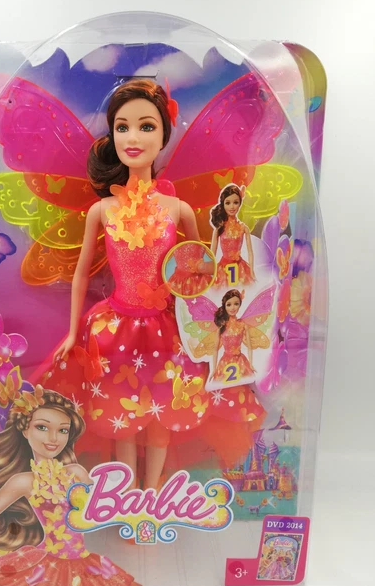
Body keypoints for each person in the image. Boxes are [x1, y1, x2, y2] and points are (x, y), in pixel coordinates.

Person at [32, 80, 265, 484]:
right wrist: (72, 333)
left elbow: (199, 271)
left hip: (168, 330)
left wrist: (216, 318)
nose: (133, 138)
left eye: (146, 126)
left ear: (163, 136)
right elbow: (81, 273)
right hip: (114, 329)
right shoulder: (102, 209)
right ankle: (126, 491)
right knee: (121, 414)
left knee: (164, 410)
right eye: (122, 127)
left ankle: (153, 491)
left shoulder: (177, 209)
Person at [0, 386, 139, 586]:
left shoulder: (76, 472)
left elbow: (100, 511)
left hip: (83, 560)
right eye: (42, 427)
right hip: (48, 562)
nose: (53, 438)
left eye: (62, 430)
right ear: (25, 430)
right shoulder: (24, 481)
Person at [211, 184, 255, 288]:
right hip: (223, 268)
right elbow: (212, 252)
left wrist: (251, 270)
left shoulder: (243, 228)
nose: (232, 207)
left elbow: (250, 251)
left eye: (235, 202)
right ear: (223, 204)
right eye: (228, 203)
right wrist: (211, 271)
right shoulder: (219, 228)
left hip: (240, 267)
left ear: (240, 203)